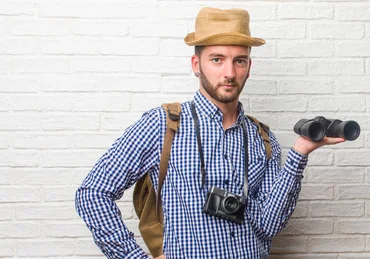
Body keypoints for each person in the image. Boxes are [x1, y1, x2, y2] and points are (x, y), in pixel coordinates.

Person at [75, 7, 344, 259]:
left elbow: (268, 224)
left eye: (239, 60)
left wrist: (299, 153)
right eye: (217, 59)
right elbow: (92, 193)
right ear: (196, 64)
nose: (229, 72)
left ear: (249, 67)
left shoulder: (263, 138)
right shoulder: (163, 125)